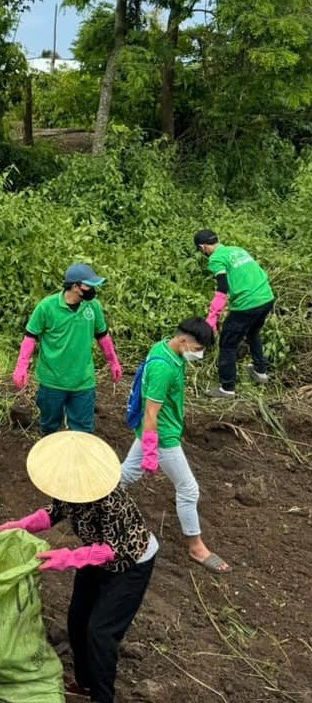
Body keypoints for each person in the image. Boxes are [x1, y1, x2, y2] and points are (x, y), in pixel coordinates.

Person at [0, 431, 158, 703]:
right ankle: (84, 683)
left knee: (101, 632)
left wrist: (68, 557)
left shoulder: (111, 500)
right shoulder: (70, 486)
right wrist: (22, 525)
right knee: (77, 619)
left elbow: (113, 549)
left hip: (130, 562)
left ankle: (102, 696)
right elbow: (54, 512)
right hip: (92, 555)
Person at [119, 317, 228, 573]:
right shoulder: (164, 369)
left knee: (127, 474)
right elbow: (150, 413)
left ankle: (93, 501)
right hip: (162, 436)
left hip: (164, 429)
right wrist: (150, 449)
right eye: (198, 349)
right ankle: (196, 546)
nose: (199, 355)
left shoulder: (165, 347)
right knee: (189, 489)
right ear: (183, 341)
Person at [13, 263, 123, 434]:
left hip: (83, 381)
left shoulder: (93, 307)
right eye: (89, 285)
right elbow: (30, 337)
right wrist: (21, 366)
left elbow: (103, 336)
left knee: (83, 432)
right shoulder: (46, 307)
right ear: (74, 286)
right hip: (52, 381)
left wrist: (113, 361)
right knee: (50, 429)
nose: (93, 289)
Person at [194, 230, 275, 399]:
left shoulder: (216, 258)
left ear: (203, 247)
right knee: (253, 332)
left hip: (247, 304)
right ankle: (260, 372)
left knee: (228, 343)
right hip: (266, 297)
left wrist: (213, 315)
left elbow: (222, 287)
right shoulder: (237, 250)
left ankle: (227, 388)